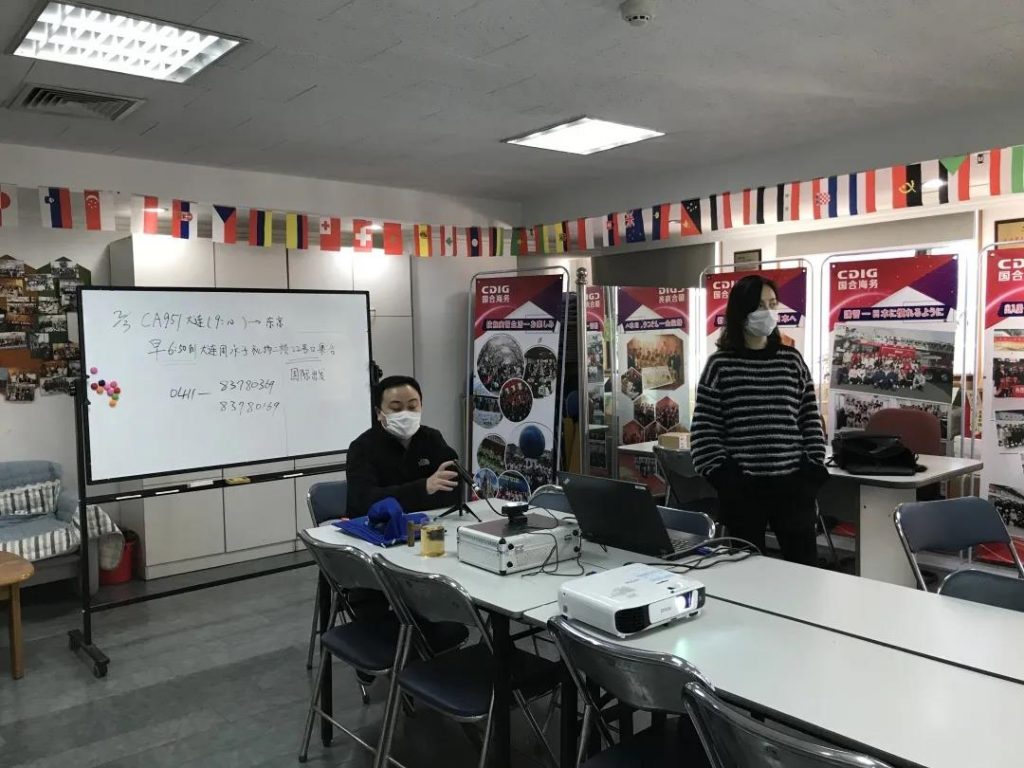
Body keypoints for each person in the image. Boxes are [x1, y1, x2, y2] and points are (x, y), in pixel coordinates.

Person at [690, 275, 828, 566]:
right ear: (741, 312)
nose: (768, 312)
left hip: (793, 487)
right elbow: (704, 433)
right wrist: (727, 480)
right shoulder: (720, 365)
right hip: (743, 489)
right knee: (746, 574)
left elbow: (810, 421)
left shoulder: (791, 361)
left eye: (772, 304)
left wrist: (811, 471)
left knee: (805, 572)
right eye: (759, 306)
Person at [346, 375, 461, 517]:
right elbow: (365, 501)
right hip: (378, 526)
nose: (406, 414)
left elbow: (453, 488)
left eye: (412, 407)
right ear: (379, 413)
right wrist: (423, 488)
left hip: (430, 522)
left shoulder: (432, 438)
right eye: (396, 408)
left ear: (421, 406)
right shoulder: (362, 447)